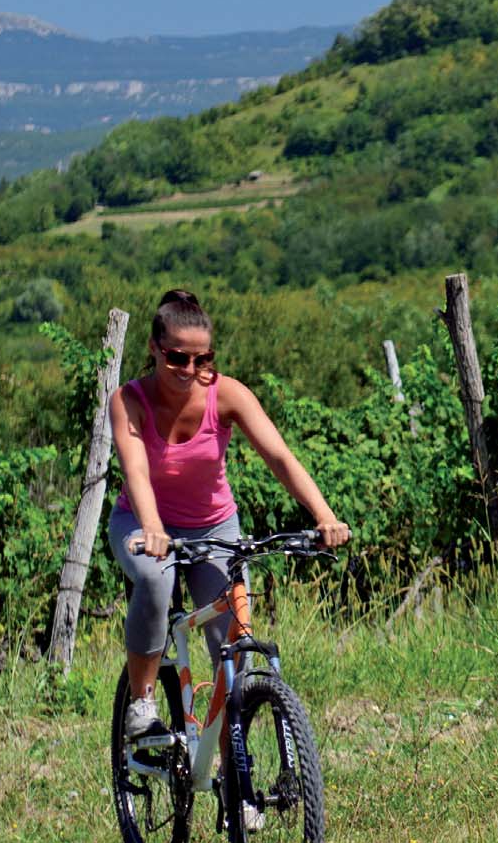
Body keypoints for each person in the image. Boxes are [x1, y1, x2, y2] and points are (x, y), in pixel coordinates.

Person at [109, 288, 349, 744]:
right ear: (154, 349)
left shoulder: (228, 394)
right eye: (178, 358)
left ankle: (236, 783)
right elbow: (136, 472)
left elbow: (279, 457)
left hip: (214, 526)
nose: (191, 371)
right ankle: (141, 702)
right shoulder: (129, 401)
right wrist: (155, 531)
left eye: (203, 360)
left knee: (232, 653)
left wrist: (324, 516)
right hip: (142, 525)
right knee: (157, 580)